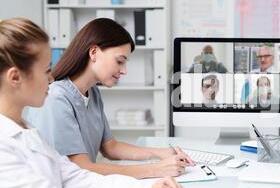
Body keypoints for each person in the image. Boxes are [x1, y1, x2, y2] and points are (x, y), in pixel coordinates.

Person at [0, 18, 188, 188]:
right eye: (46, 70)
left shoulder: (29, 132)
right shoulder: (4, 147)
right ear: (15, 77)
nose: (51, 77)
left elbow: (80, 178)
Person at [26, 18, 195, 179]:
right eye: (120, 61)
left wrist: (161, 153)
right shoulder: (56, 98)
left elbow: (110, 147)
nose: (124, 71)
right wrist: (156, 169)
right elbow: (80, 168)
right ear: (94, 52)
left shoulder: (93, 93)